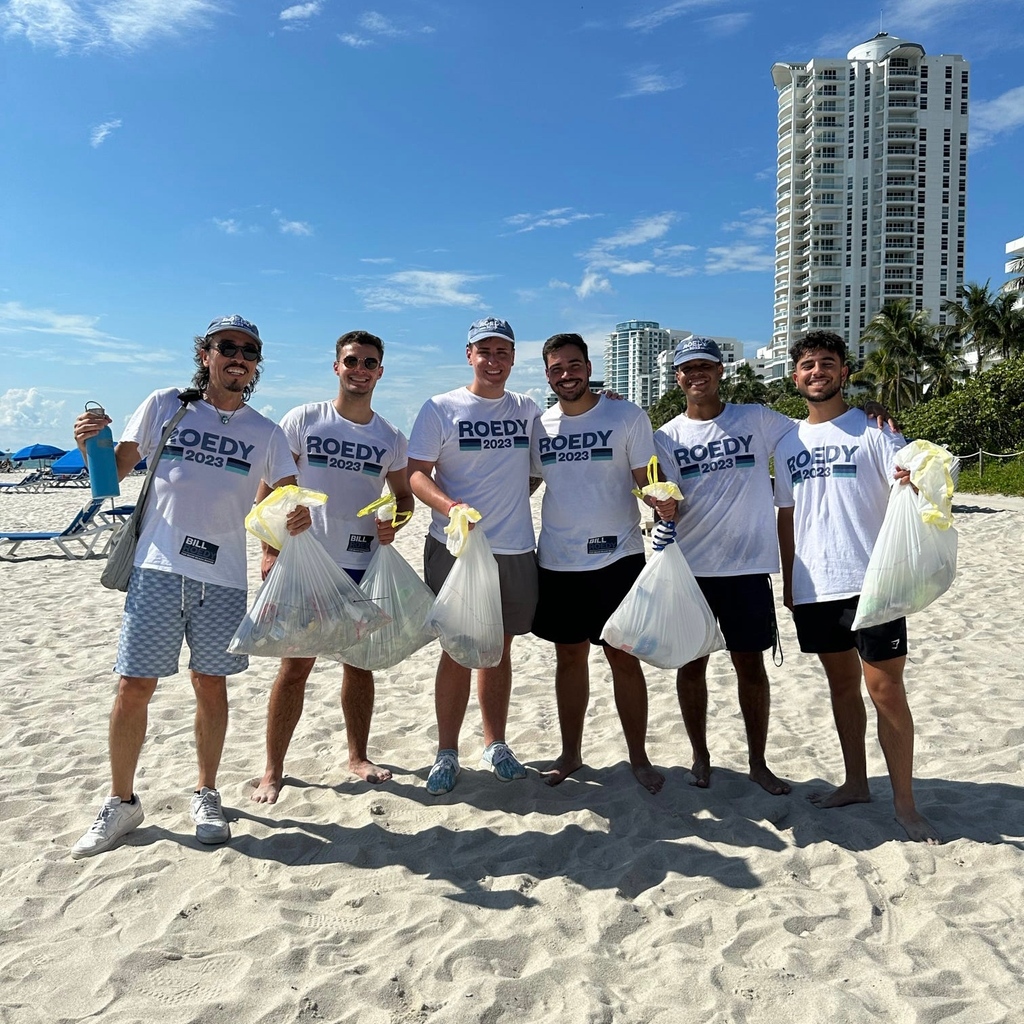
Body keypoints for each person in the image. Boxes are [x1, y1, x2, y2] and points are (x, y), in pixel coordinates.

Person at [70, 315, 307, 859]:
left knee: (210, 684)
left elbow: (286, 499)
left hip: (223, 578)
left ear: (256, 365)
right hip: (158, 568)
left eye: (249, 350)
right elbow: (117, 469)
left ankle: (206, 792)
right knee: (134, 686)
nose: (238, 357)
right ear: (206, 355)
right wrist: (89, 445)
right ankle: (121, 801)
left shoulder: (265, 432)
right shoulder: (166, 404)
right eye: (228, 347)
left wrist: (295, 519)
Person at [774, 330, 940, 844]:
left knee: (885, 691)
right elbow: (787, 514)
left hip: (874, 581)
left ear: (844, 372)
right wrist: (788, 581)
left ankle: (906, 804)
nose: (817, 371)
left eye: (828, 362)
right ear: (795, 376)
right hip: (813, 584)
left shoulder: (875, 429)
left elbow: (913, 486)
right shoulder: (786, 441)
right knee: (841, 687)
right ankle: (854, 782)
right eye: (808, 364)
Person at [250, 330, 413, 803]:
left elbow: (402, 497)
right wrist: (269, 549)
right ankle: (272, 769)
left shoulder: (390, 437)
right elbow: (268, 494)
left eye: (369, 363)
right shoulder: (304, 420)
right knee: (295, 667)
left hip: (361, 563)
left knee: (359, 666)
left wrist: (394, 523)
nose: (359, 369)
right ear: (336, 366)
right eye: (351, 361)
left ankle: (357, 756)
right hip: (305, 561)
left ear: (380, 372)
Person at [531, 334, 676, 793]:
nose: (566, 374)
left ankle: (639, 757)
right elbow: (525, 485)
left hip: (618, 556)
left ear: (589, 367)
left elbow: (647, 478)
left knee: (622, 657)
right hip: (557, 559)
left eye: (574, 365)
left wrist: (662, 501)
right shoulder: (541, 424)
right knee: (568, 657)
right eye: (556, 368)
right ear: (548, 374)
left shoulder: (626, 415)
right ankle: (571, 754)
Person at [653, 337, 793, 795]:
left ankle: (758, 762)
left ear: (721, 371)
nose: (697, 375)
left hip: (747, 569)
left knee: (750, 666)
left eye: (705, 367)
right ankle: (700, 755)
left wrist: (866, 411)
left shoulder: (753, 417)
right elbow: (662, 497)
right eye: (687, 368)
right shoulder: (667, 436)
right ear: (677, 378)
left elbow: (811, 429)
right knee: (691, 667)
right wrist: (661, 508)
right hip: (691, 570)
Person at [406, 317, 541, 795]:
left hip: (513, 547)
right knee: (457, 650)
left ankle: (495, 742)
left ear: (513, 358)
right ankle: (446, 751)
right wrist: (452, 506)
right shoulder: (441, 408)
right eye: (485, 351)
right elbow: (416, 474)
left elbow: (541, 465)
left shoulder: (526, 409)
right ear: (469, 355)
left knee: (499, 649)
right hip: (454, 545)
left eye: (503, 351)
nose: (494, 360)